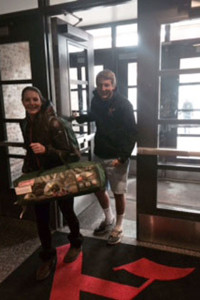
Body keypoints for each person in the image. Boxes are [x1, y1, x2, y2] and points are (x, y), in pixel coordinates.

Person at [20, 86, 83, 281]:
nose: (31, 103)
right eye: (27, 100)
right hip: (37, 177)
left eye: (35, 99)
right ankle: (47, 257)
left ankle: (76, 242)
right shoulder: (25, 124)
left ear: (42, 100)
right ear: (23, 102)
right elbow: (30, 151)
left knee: (67, 211)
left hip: (59, 176)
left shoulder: (55, 122)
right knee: (41, 219)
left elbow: (74, 154)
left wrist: (46, 150)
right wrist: (25, 173)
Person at [73, 69, 137, 245]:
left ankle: (119, 226)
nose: (103, 88)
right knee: (98, 188)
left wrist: (123, 157)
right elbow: (95, 116)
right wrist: (80, 118)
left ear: (113, 86)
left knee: (118, 192)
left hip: (117, 157)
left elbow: (132, 132)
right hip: (99, 153)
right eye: (100, 85)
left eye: (107, 85)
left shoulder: (124, 104)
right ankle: (108, 219)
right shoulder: (96, 100)